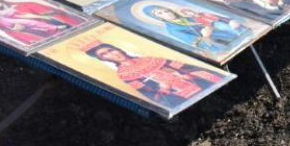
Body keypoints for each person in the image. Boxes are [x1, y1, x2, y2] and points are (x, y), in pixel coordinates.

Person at [83, 42, 225, 105]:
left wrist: (185, 74)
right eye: (104, 54)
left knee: (205, 76)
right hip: (174, 93)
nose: (112, 54)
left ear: (118, 49)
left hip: (190, 80)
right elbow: (146, 92)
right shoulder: (124, 74)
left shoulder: (148, 58)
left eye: (111, 50)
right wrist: (163, 88)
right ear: (103, 59)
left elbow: (181, 66)